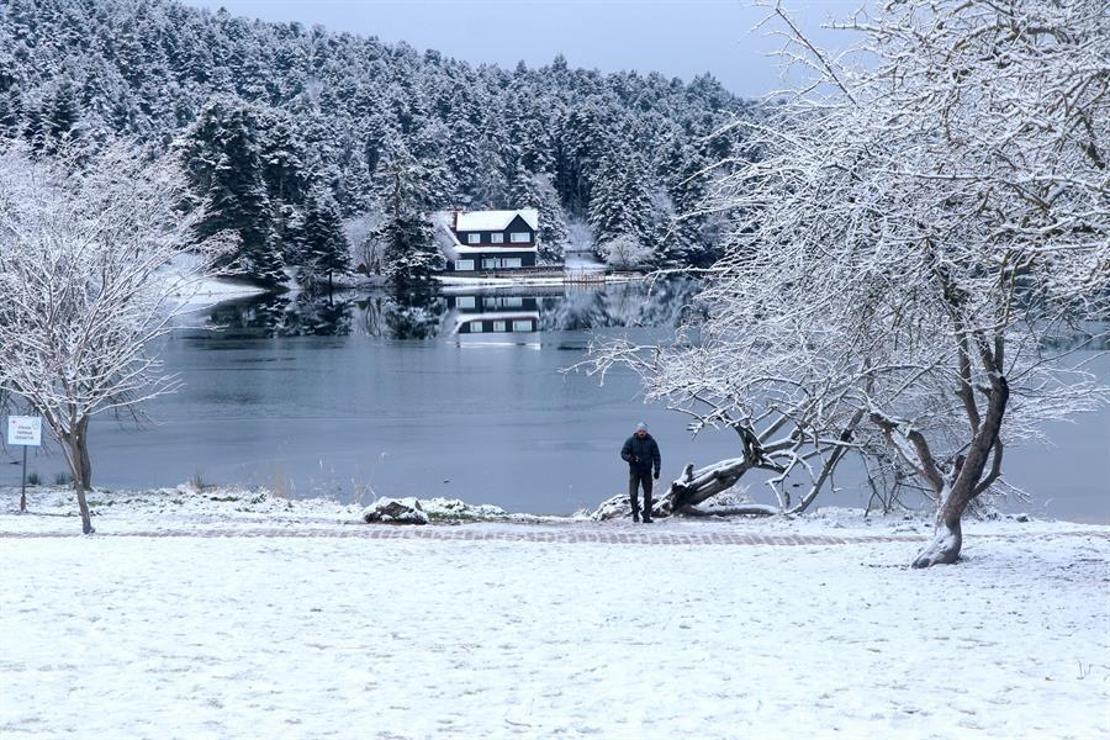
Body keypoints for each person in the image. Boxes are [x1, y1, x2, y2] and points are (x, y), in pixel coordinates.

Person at [620, 421, 661, 523]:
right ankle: (635, 514)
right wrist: (631, 458)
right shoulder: (631, 441)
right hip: (634, 471)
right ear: (637, 431)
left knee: (648, 495)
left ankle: (646, 516)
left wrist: (657, 470)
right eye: (640, 431)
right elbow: (623, 453)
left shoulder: (651, 442)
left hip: (647, 472)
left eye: (643, 431)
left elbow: (657, 457)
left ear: (646, 432)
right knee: (633, 494)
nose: (642, 433)